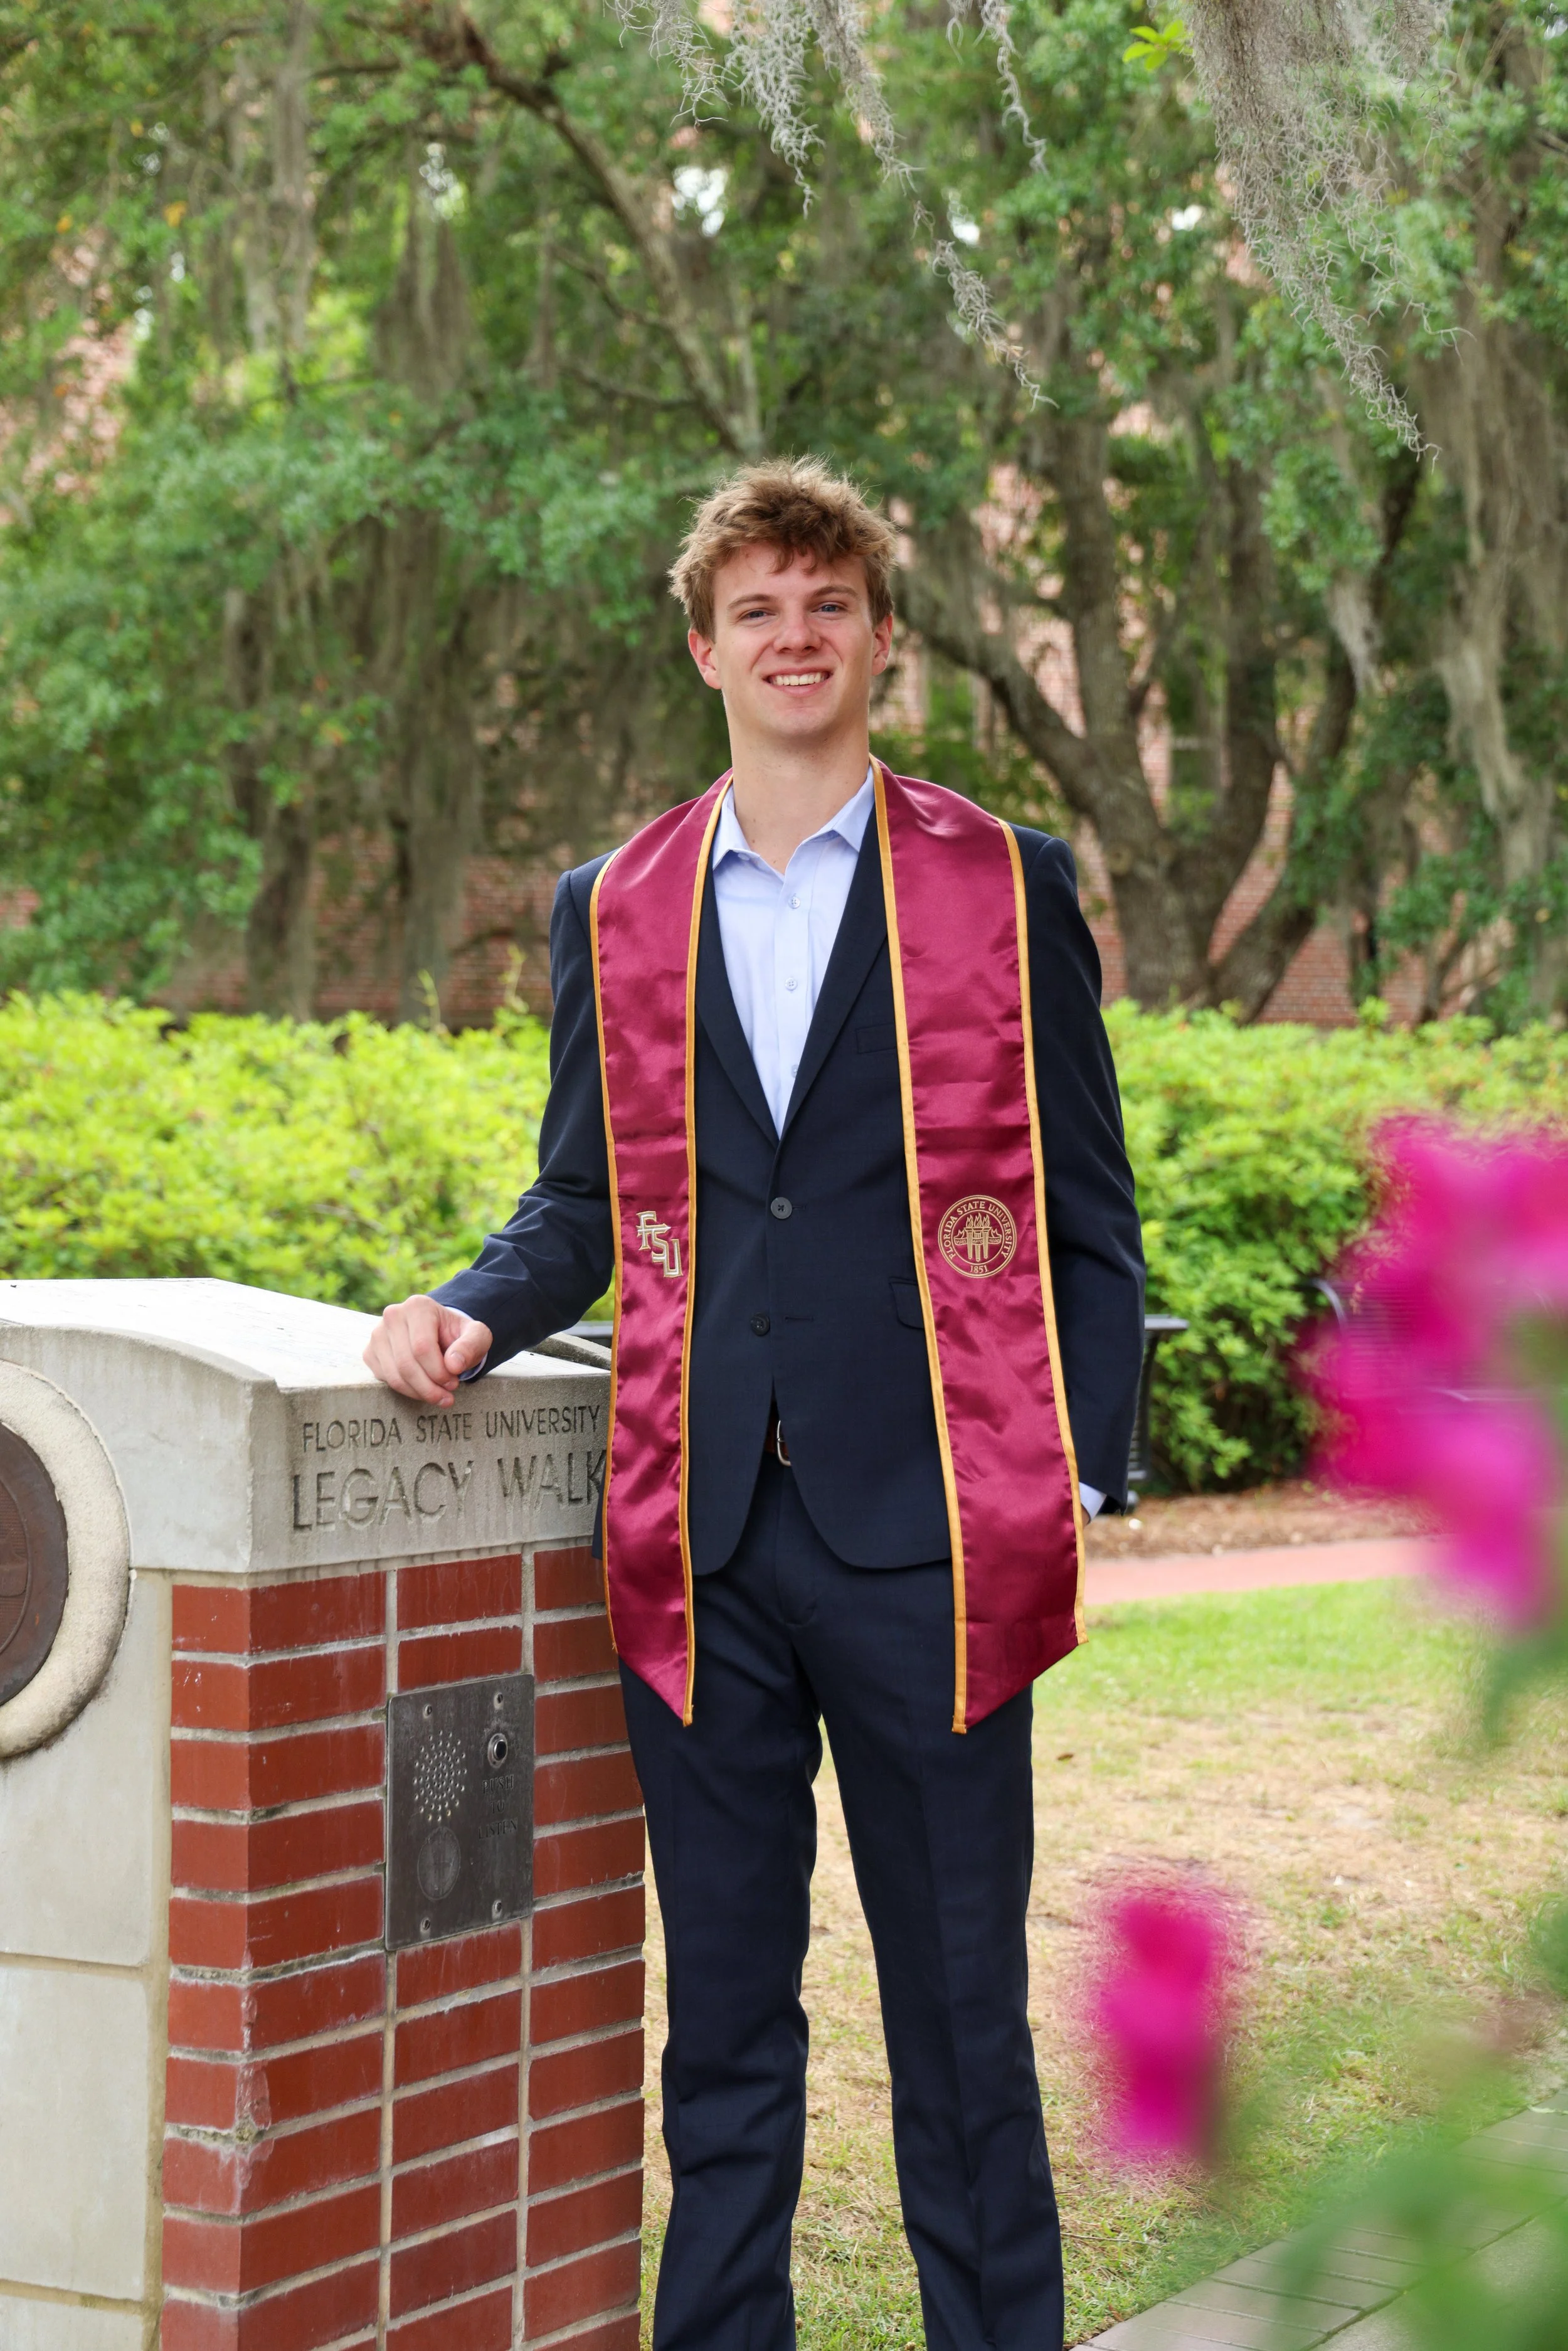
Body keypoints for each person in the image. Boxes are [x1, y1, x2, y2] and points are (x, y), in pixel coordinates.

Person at [364, 458, 1145, 2351]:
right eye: (756, 611)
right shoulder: (611, 902)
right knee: (717, 2017)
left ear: (880, 636)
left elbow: (1086, 1205)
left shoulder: (998, 878)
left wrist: (1081, 1473)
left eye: (826, 605)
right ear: (702, 645)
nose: (792, 638)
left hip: (932, 1530)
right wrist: (465, 1306)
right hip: (695, 1540)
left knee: (960, 2011)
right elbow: (581, 1198)